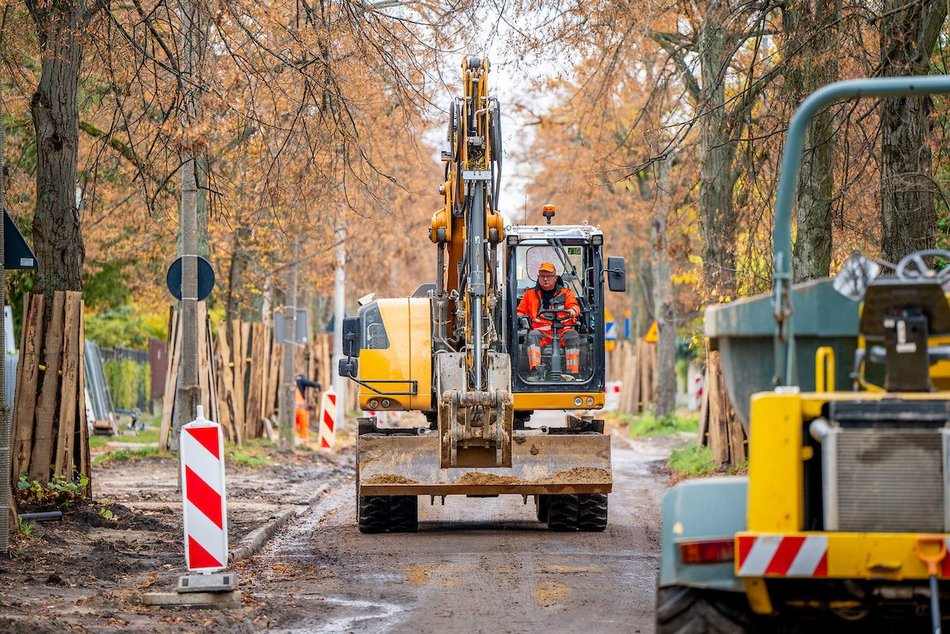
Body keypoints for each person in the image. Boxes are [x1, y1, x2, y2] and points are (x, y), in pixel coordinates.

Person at [517, 261, 581, 376]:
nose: (545, 279)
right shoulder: (529, 295)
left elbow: (574, 306)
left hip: (563, 332)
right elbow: (520, 312)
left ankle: (572, 373)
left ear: (555, 277)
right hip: (541, 334)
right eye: (542, 276)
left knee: (573, 335)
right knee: (532, 335)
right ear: (538, 277)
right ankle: (535, 372)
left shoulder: (566, 293)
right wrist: (520, 317)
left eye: (548, 276)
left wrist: (573, 311)